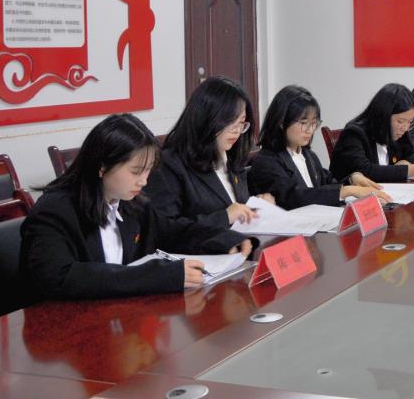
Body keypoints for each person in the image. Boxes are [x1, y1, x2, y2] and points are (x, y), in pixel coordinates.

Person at [20, 113, 255, 300]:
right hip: (60, 333)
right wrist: (158, 276)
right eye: (136, 172)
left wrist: (224, 239)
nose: (144, 181)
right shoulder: (54, 211)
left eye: (148, 171)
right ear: (102, 167)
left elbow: (172, 232)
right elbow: (61, 277)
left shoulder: (130, 203)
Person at [146, 76, 273, 229]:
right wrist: (224, 217)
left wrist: (256, 207)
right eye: (229, 121)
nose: (236, 131)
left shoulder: (232, 159)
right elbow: (165, 230)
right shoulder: (170, 165)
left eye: (241, 123)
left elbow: (236, 209)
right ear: (205, 118)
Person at [248, 85, 392, 208]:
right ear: (281, 122)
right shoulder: (267, 161)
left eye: (314, 123)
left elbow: (327, 184)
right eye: (303, 123)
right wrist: (347, 191)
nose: (310, 130)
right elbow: (292, 197)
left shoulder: (308, 155)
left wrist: (351, 180)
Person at [330, 83, 414, 183]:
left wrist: (407, 162)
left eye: (409, 122)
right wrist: (412, 170)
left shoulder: (399, 130)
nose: (405, 128)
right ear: (383, 116)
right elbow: (365, 171)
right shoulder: (353, 134)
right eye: (400, 121)